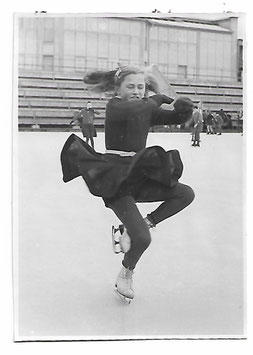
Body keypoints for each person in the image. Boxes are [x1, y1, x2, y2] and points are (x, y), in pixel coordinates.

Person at [61, 66, 195, 303]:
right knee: (142, 239)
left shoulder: (144, 108)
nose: (136, 91)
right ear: (118, 89)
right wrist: (156, 97)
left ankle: (139, 225)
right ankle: (126, 273)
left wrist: (182, 108)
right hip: (115, 180)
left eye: (141, 87)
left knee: (185, 194)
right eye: (130, 86)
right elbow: (137, 109)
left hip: (139, 176)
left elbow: (173, 116)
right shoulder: (117, 107)